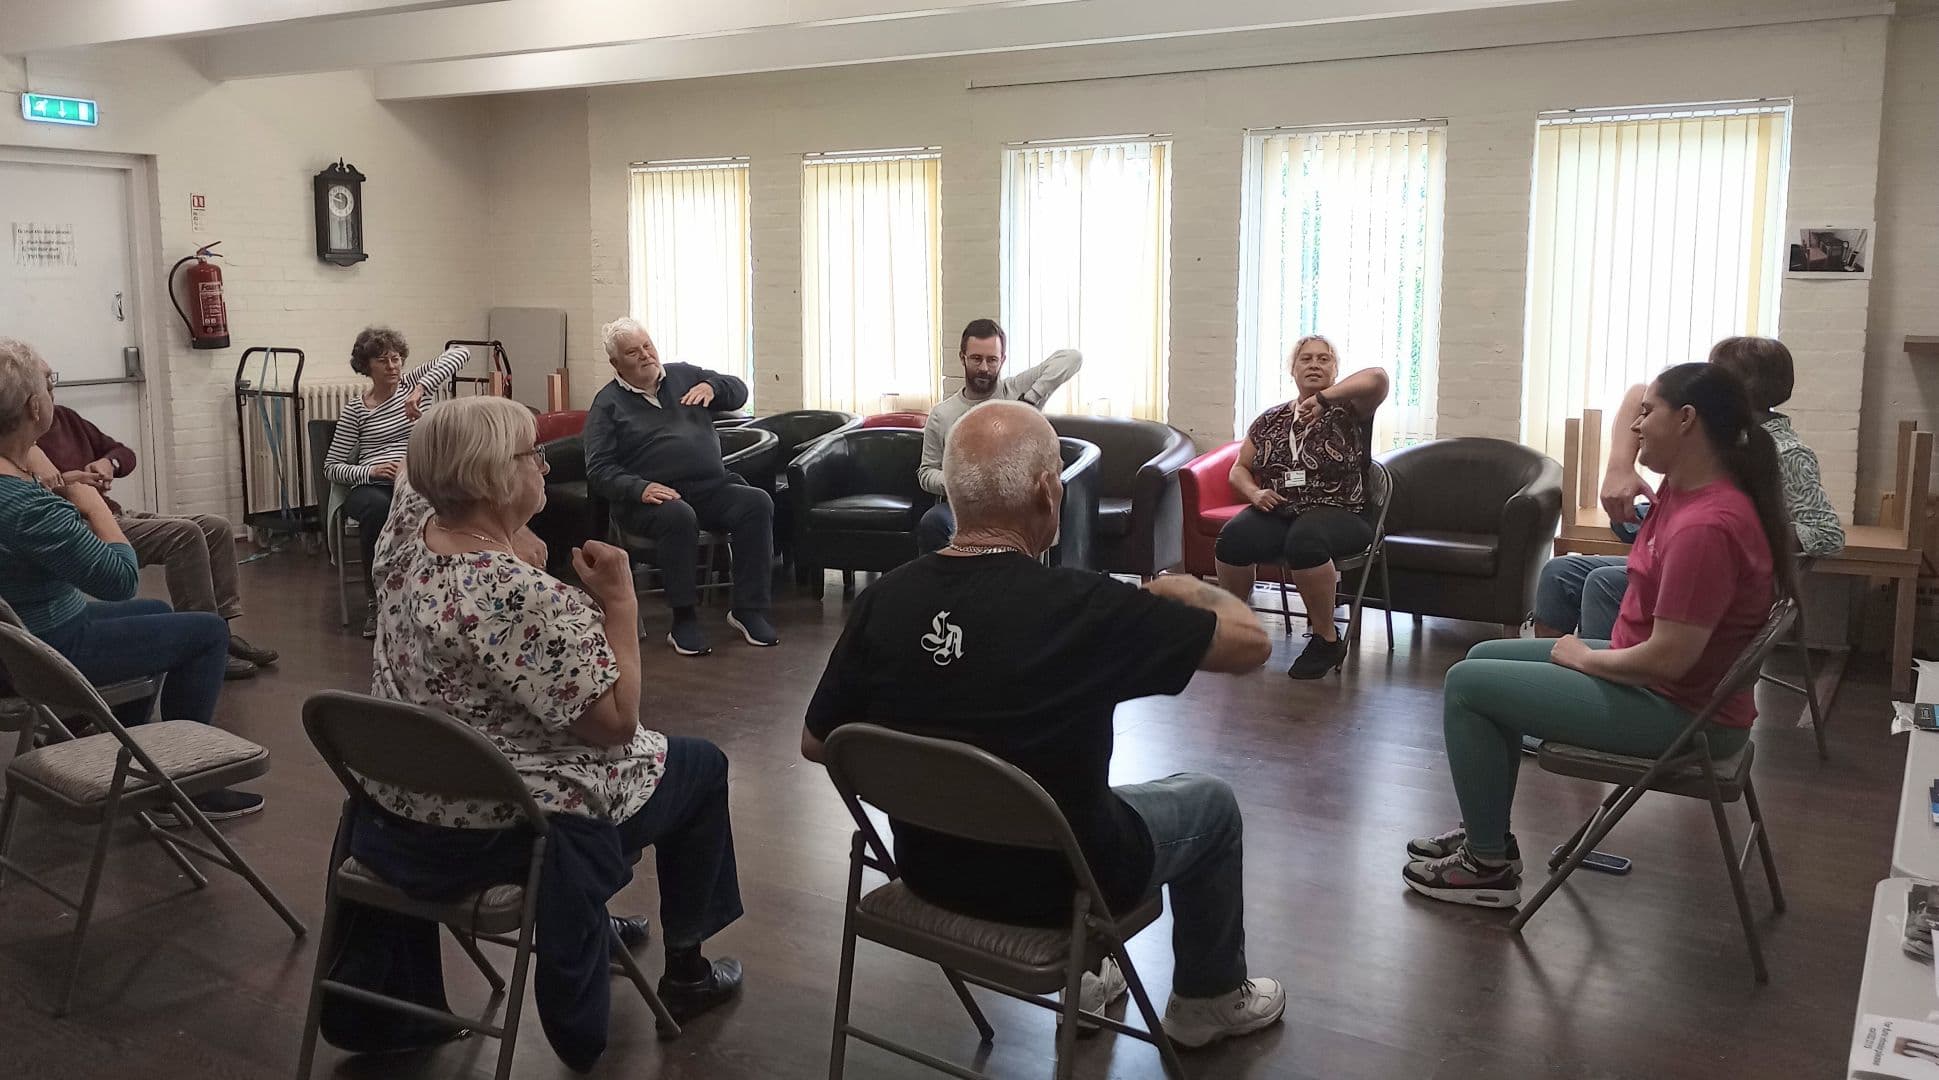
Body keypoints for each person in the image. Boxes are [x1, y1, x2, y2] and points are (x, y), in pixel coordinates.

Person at [801, 401, 1287, 1050]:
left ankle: (1088, 980)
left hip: (928, 870)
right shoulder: (1085, 609)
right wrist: (1176, 588)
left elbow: (818, 743)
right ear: (1046, 490)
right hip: (1063, 891)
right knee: (1210, 804)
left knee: (1045, 790)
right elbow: (1249, 644)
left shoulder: (883, 600)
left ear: (953, 492)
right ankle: (1207, 1000)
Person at [354, 396, 744, 1059]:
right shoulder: (522, 597)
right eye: (531, 452)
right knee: (701, 764)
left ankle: (595, 908)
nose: (542, 462)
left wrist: (504, 535)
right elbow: (617, 724)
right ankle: (688, 971)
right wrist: (619, 603)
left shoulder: (403, 546)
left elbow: (429, 466)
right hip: (503, 825)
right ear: (493, 478)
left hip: (404, 804)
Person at [1404, 363, 1791, 907]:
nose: (1636, 426)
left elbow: (1669, 661)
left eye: (1647, 416)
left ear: (1686, 420)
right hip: (1670, 690)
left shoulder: (1707, 525)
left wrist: (1585, 659)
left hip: (1681, 715)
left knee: (1468, 684)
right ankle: (1484, 827)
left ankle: (1486, 866)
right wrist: (1620, 465)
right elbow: (1636, 394)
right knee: (1486, 653)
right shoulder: (1688, 490)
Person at [0, 338, 258, 821]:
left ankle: (127, 761)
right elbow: (118, 579)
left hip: (23, 635)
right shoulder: (25, 506)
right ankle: (181, 784)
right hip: (46, 649)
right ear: (35, 407)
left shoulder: (17, 471)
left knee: (159, 612)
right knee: (207, 632)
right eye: (50, 386)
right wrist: (92, 503)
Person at [1535, 336, 1842, 640]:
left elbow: (1828, 534)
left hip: (1725, 574)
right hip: (1682, 553)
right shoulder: (1717, 435)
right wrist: (1620, 468)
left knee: (1603, 582)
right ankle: (1550, 677)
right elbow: (1641, 394)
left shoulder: (1786, 452)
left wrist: (1744, 538)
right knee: (1559, 573)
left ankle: (1598, 678)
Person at [37, 397, 276, 680]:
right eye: (44, 381)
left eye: (52, 378)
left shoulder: (66, 418)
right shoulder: (20, 442)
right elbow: (33, 496)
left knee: (216, 526)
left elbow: (123, 453)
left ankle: (221, 631)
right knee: (184, 535)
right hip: (87, 525)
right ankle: (202, 641)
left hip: (115, 513)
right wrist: (68, 484)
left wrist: (108, 462)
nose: (50, 387)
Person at [584, 317, 776, 657]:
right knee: (679, 516)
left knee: (756, 503)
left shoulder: (683, 375)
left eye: (647, 346)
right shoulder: (607, 404)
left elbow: (739, 391)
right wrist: (638, 487)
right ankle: (684, 619)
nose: (645, 355)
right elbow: (599, 469)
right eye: (632, 352)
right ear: (616, 364)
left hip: (710, 486)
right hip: (650, 498)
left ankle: (749, 610)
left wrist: (716, 388)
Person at [1214, 335, 1390, 678]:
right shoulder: (1271, 420)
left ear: (1336, 371)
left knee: (1305, 541)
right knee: (1232, 540)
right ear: (1292, 370)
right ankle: (1240, 627)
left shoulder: (1352, 410)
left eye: (1324, 359)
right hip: (1282, 508)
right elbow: (1239, 468)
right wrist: (1253, 493)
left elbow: (1378, 378)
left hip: (1343, 510)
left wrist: (1324, 400)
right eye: (1305, 359)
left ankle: (1326, 638)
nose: (1314, 364)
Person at [323, 328, 467, 638]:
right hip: (373, 484)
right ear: (367, 366)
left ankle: (435, 593)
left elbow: (460, 353)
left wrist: (419, 389)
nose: (392, 366)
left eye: (396, 358)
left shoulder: (416, 384)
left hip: (417, 475)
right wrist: (372, 471)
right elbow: (332, 467)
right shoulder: (356, 410)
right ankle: (378, 600)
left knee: (443, 501)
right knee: (377, 510)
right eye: (383, 360)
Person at [915, 318, 1081, 554]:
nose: (984, 367)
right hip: (961, 510)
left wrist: (1029, 402)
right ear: (962, 357)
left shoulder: (1015, 392)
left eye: (992, 359)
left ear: (1002, 360)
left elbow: (1072, 358)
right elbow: (926, 472)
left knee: (1042, 517)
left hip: (1015, 508)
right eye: (976, 358)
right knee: (932, 523)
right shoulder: (942, 415)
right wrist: (961, 483)